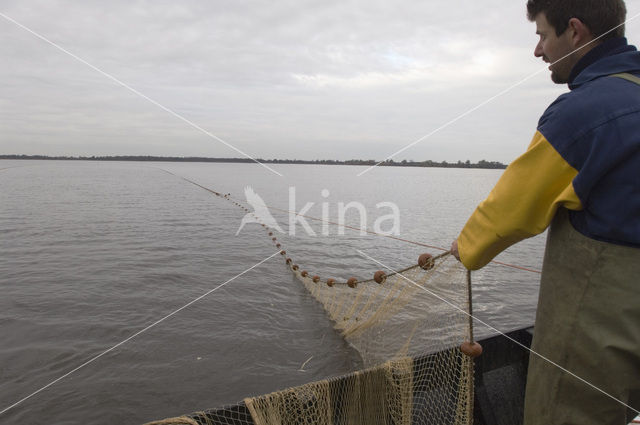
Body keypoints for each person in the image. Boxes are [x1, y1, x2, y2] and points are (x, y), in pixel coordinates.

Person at [450, 0, 640, 423]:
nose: (538, 51)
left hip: (606, 327)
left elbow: (512, 210)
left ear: (575, 31)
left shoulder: (583, 112)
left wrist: (467, 247)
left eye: (541, 35)